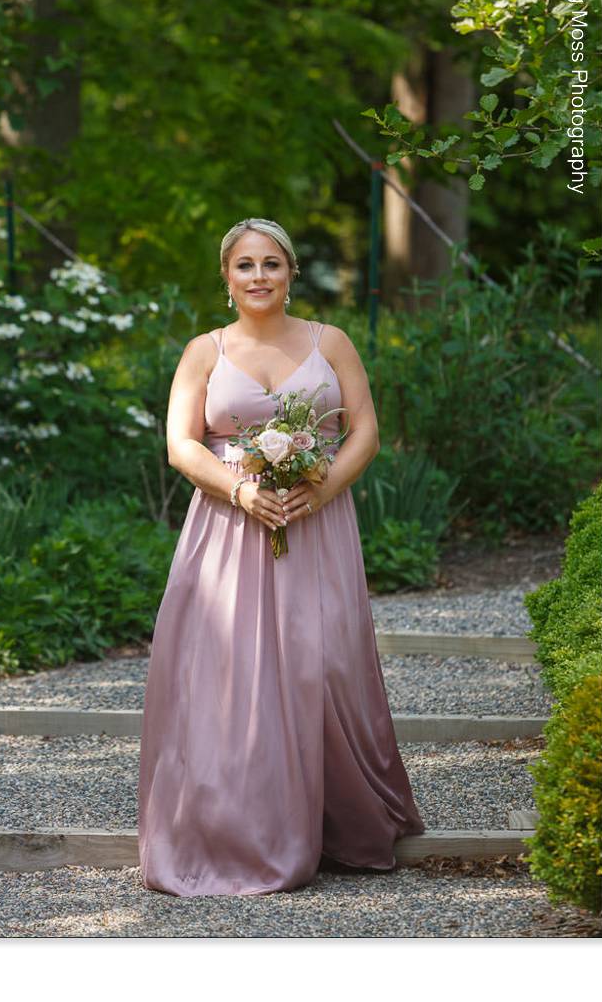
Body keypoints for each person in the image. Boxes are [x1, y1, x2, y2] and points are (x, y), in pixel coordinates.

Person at [137, 218, 425, 897]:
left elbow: (366, 429)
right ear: (226, 277)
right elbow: (183, 444)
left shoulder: (332, 342)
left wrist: (318, 488)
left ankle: (335, 820)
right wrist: (241, 490)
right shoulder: (203, 352)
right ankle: (229, 826)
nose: (259, 276)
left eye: (272, 263)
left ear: (293, 272)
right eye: (245, 265)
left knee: (317, 661)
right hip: (227, 529)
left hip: (315, 522)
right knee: (230, 671)